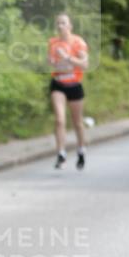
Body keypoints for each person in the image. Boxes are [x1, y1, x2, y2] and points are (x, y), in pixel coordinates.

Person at [47, 13, 89, 169]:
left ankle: (81, 150)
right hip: (58, 83)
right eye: (58, 23)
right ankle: (61, 153)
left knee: (77, 122)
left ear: (70, 26)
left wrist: (67, 58)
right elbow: (50, 62)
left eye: (63, 23)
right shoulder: (53, 43)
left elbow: (84, 65)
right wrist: (51, 61)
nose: (60, 26)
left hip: (74, 85)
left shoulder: (78, 42)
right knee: (59, 119)